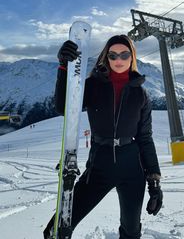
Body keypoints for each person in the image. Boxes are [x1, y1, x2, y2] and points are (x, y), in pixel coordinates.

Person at [44, 35, 163, 239]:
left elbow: (145, 137)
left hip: (132, 170)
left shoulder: (141, 94)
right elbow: (63, 107)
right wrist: (64, 66)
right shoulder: (92, 85)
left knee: (131, 232)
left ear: (132, 57)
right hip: (99, 166)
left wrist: (154, 180)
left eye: (124, 54)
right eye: (113, 54)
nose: (119, 59)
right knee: (57, 230)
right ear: (106, 57)